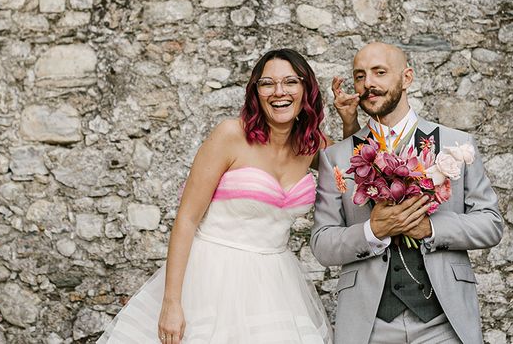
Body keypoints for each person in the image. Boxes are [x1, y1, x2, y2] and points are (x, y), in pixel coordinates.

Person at [97, 48, 360, 344]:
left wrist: (349, 120)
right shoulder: (230, 135)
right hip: (212, 276)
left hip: (275, 284)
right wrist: (172, 302)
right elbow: (186, 219)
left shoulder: (310, 145)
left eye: (290, 82)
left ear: (305, 90)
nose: (279, 91)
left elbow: (353, 167)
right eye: (267, 83)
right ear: (256, 93)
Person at [310, 42, 503, 344]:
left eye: (380, 72)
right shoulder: (337, 157)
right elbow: (322, 244)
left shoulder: (456, 143)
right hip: (370, 325)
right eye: (359, 76)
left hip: (444, 323)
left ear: (407, 78)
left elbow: (491, 224)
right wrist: (373, 231)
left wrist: (431, 227)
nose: (368, 83)